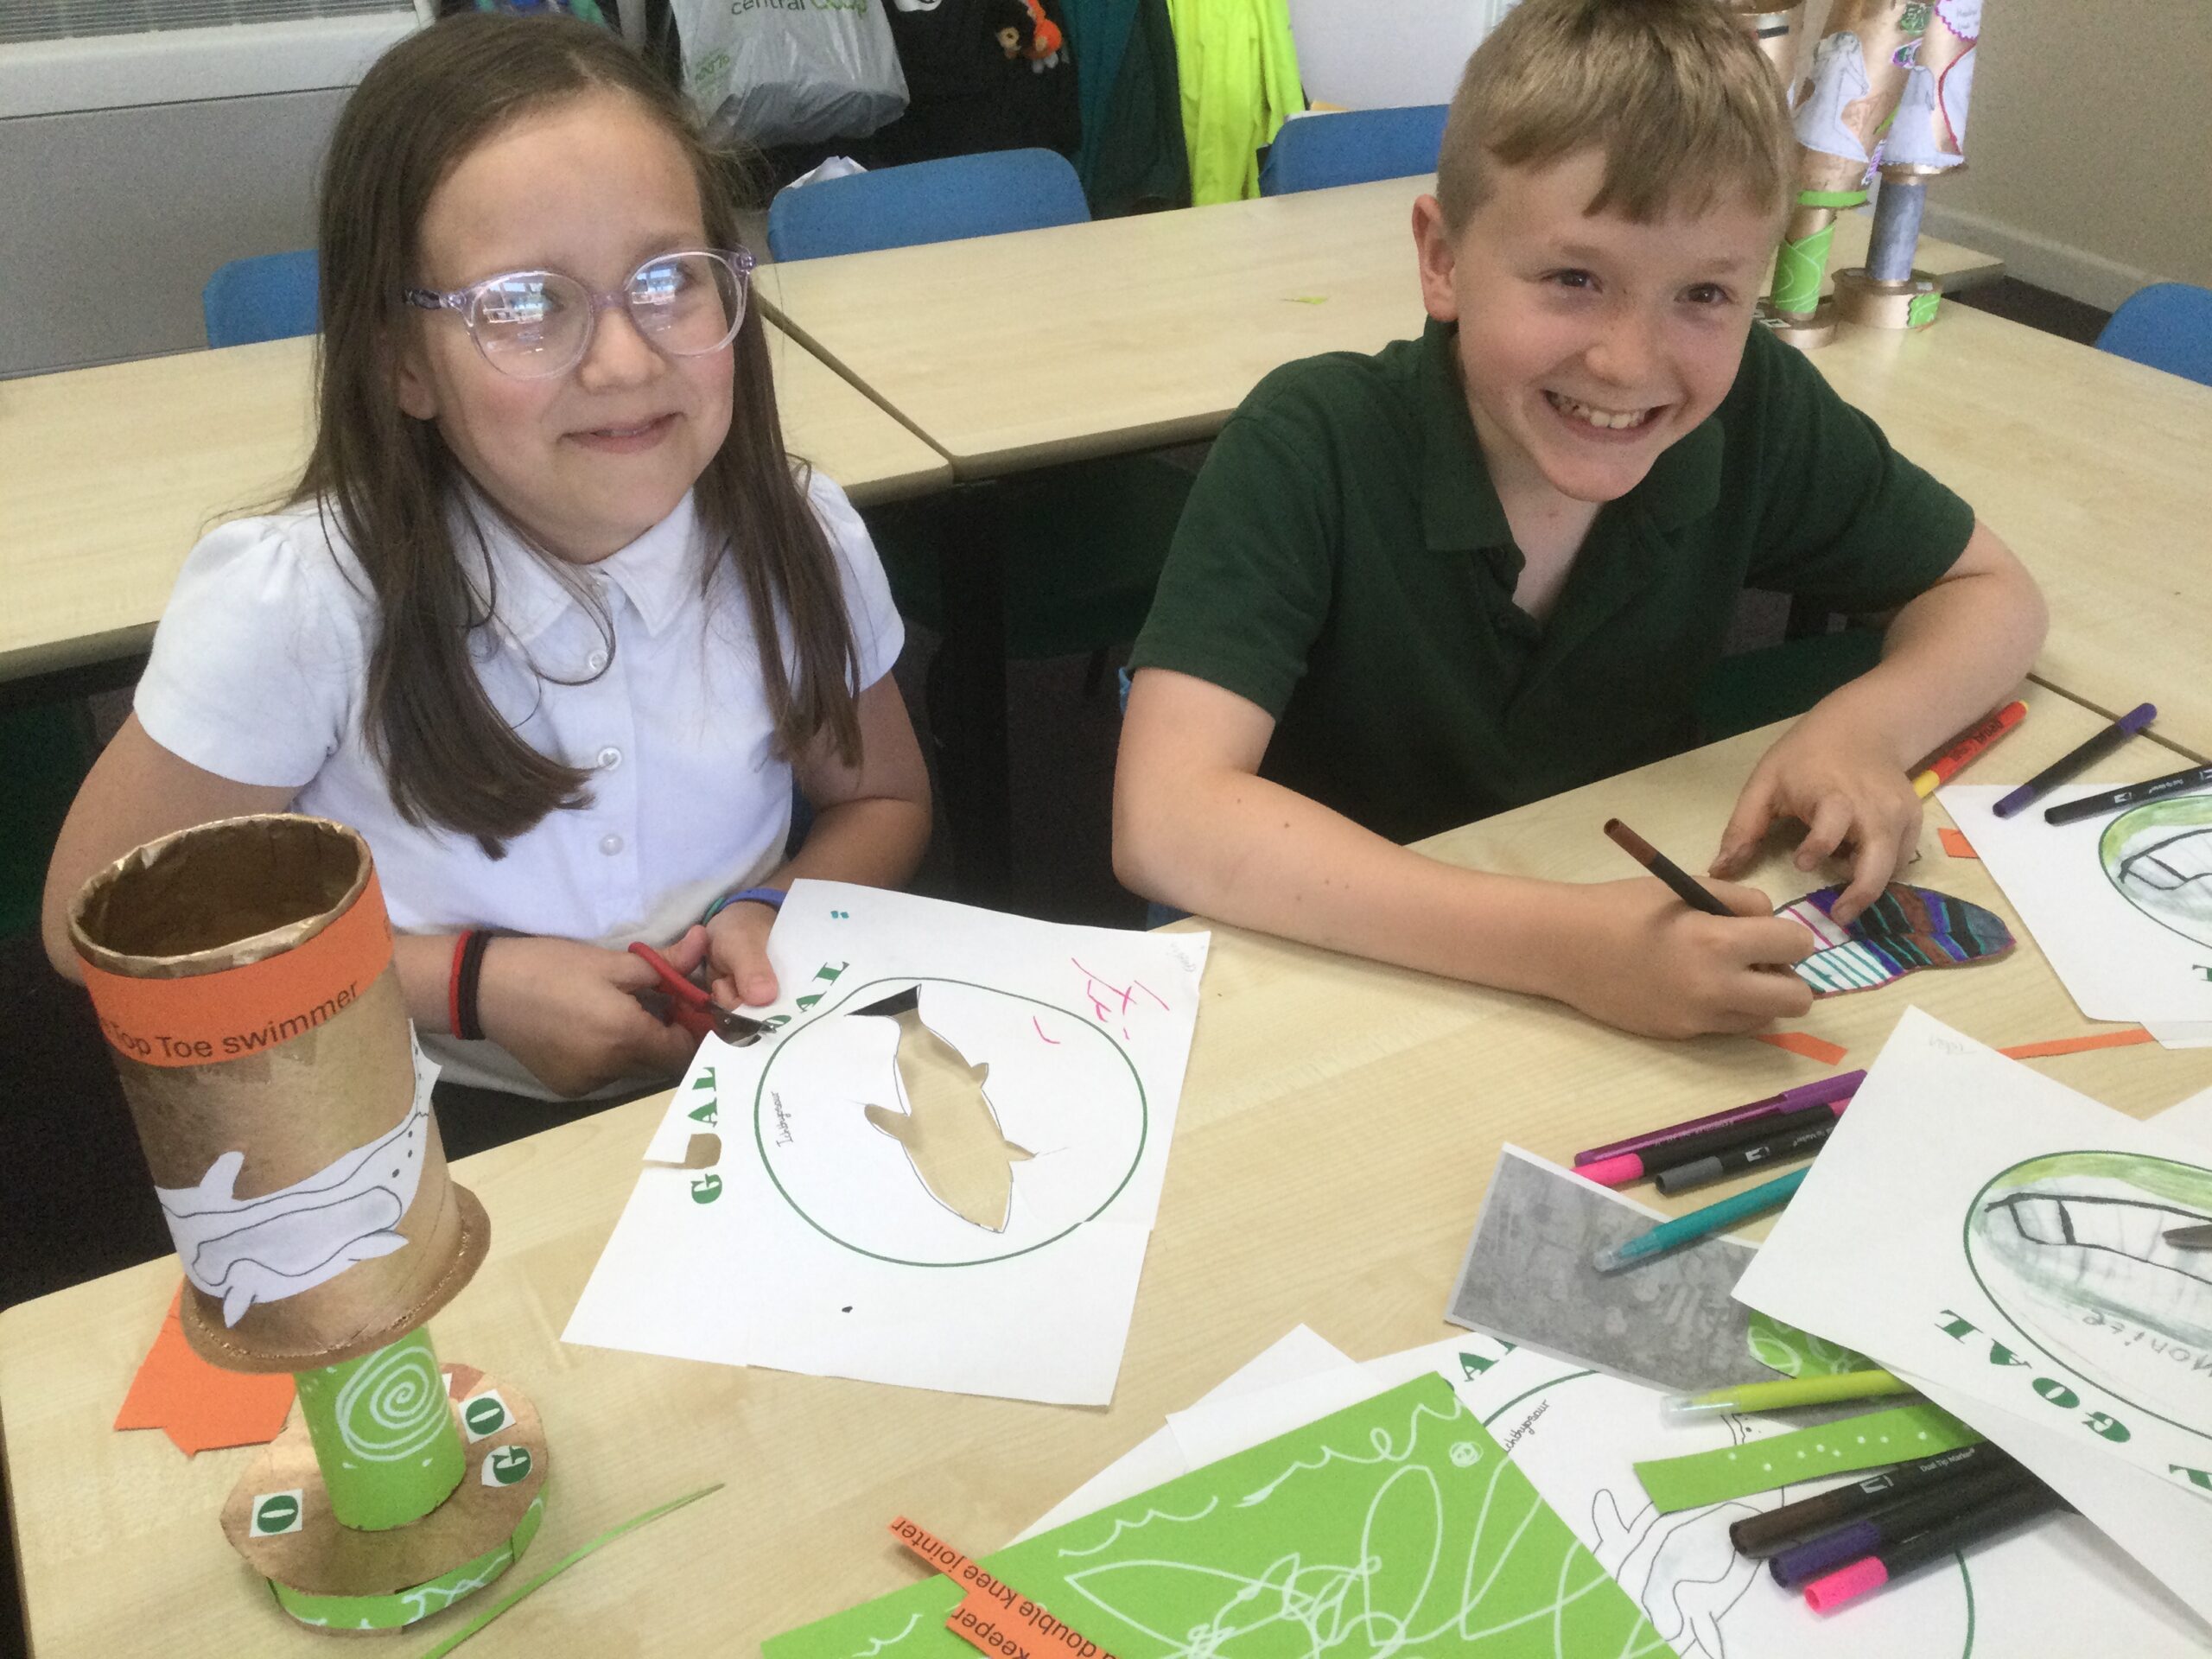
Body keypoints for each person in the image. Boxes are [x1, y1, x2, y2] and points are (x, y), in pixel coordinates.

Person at [42, 13, 931, 1116]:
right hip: (416, 1107)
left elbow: (882, 794)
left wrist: (770, 909)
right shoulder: (305, 600)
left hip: (731, 1078)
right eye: (520, 304)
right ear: (401, 362)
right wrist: (469, 987)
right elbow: (97, 932)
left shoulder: (794, 534)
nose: (622, 359)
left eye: (668, 278)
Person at [1113, 0, 2046, 1039]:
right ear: (1442, 260)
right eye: (1572, 279)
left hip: (1607, 957)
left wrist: (1862, 732)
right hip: (1338, 979)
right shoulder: (1312, 441)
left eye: (1703, 295)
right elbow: (1167, 820)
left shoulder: (1755, 410)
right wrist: (1562, 948)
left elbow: (1991, 593)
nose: (1628, 362)